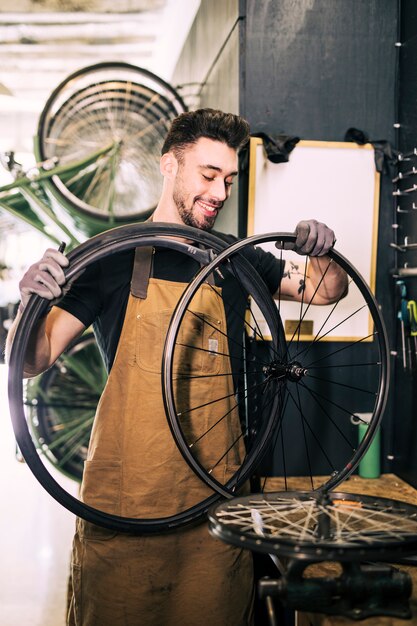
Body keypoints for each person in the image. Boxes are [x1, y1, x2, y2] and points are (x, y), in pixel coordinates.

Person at [6, 108, 348, 626]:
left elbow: (327, 290)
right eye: (208, 175)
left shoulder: (238, 258)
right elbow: (33, 359)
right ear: (169, 166)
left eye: (229, 180)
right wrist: (30, 303)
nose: (219, 192)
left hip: (215, 509)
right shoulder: (113, 254)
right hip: (126, 507)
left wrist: (321, 250)